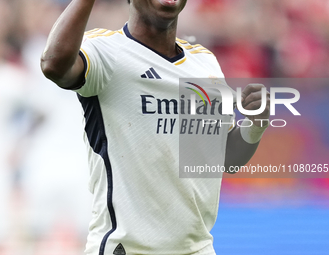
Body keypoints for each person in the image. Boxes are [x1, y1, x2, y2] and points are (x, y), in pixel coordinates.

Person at [41, 0, 270, 254]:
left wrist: (255, 125)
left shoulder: (205, 64)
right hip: (128, 248)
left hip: (198, 248)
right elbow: (54, 64)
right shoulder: (105, 51)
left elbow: (225, 159)